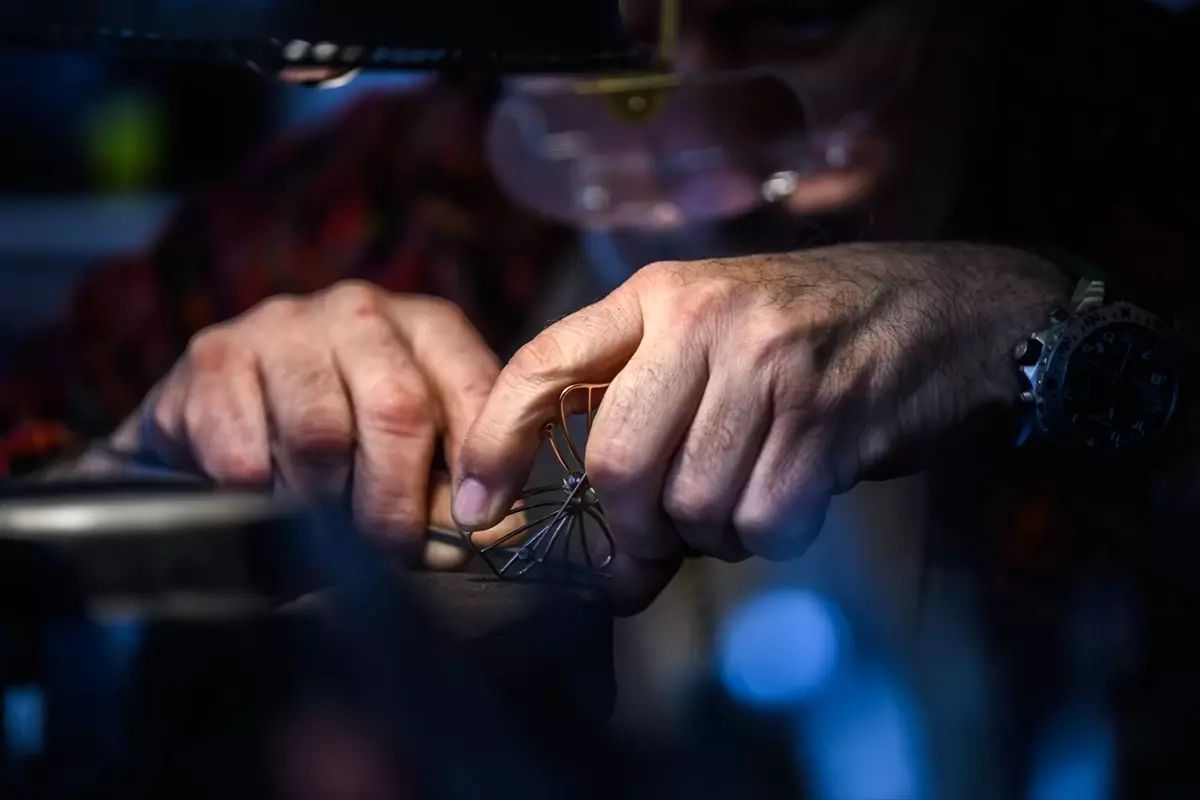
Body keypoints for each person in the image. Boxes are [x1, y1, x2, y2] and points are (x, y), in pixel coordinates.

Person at [3, 0, 1200, 790]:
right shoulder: (384, 204)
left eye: (799, 12)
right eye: (612, 35)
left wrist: (1037, 330)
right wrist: (137, 483)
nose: (696, 121)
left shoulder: (1133, 141)